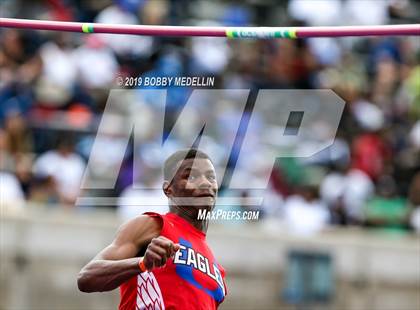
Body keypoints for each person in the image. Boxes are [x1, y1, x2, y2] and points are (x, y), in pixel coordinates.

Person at [77, 149, 227, 310]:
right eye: (191, 176)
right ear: (168, 189)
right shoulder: (153, 225)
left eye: (211, 177)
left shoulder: (217, 270)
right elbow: (86, 278)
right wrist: (142, 263)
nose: (205, 183)